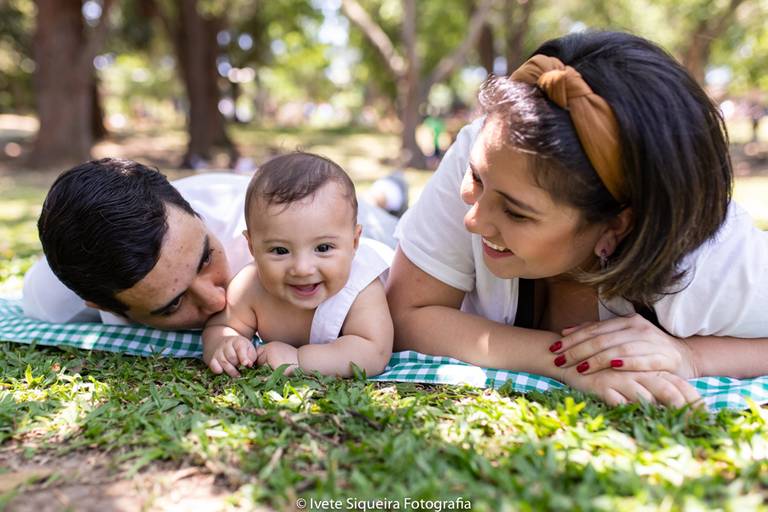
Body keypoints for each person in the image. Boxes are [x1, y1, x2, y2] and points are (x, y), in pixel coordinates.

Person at [386, 31, 768, 408]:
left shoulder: (713, 261)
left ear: (617, 225)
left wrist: (691, 357)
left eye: (517, 212)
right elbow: (406, 314)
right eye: (477, 179)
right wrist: (568, 364)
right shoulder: (488, 148)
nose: (473, 220)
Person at [24, 157, 401, 331]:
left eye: (205, 258)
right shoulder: (53, 299)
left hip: (357, 221)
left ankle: (389, 191)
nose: (219, 301)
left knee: (389, 213)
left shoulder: (264, 230)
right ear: (101, 305)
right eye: (173, 304)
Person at [202, 152, 393, 378]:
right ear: (252, 247)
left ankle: (390, 190)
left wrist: (299, 359)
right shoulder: (251, 286)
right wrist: (225, 344)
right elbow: (222, 326)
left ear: (354, 243)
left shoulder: (362, 286)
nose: (302, 268)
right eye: (280, 251)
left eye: (323, 248)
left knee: (389, 222)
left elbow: (372, 352)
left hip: (389, 241)